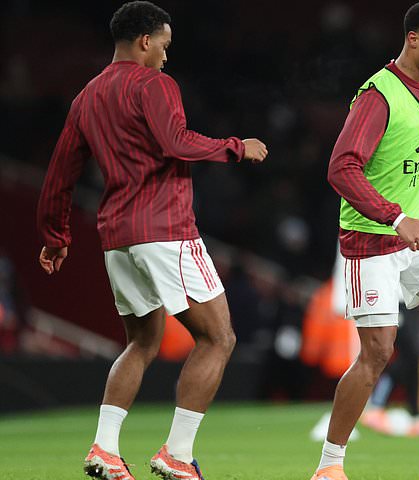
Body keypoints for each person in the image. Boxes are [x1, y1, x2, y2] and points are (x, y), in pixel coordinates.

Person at [35, 2, 268, 480]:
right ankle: (177, 454)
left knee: (141, 342)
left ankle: (104, 447)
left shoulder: (86, 97)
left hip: (116, 237)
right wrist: (236, 147)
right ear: (145, 40)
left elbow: (60, 172)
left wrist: (56, 235)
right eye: (163, 44)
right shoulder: (155, 85)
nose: (166, 54)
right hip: (164, 230)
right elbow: (175, 141)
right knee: (218, 337)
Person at [312, 2, 419, 479]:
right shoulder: (378, 95)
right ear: (413, 39)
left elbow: (418, 148)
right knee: (377, 352)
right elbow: (341, 168)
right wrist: (394, 217)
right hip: (372, 240)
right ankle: (329, 466)